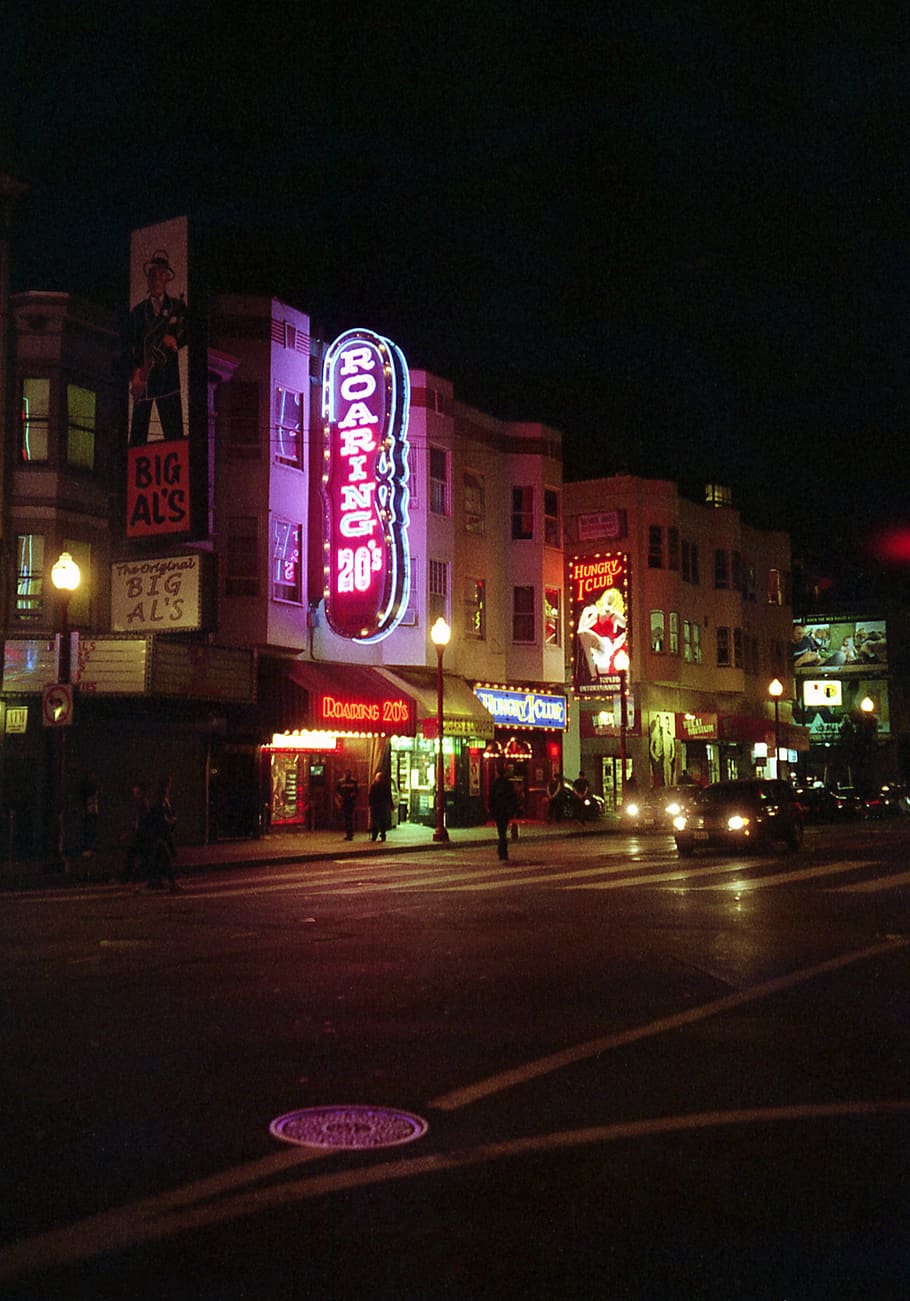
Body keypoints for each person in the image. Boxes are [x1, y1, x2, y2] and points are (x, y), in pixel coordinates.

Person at [127, 249, 188, 446]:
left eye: (160, 275)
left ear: (166, 278)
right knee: (137, 438)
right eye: (152, 275)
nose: (155, 280)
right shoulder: (137, 312)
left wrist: (175, 341)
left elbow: (189, 330)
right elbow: (131, 345)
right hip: (144, 380)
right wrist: (135, 374)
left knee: (174, 437)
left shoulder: (177, 306)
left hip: (168, 381)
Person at [145, 775, 180, 892]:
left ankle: (155, 880)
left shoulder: (163, 798)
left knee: (159, 858)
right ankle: (172, 883)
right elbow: (159, 816)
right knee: (166, 857)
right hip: (159, 834)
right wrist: (170, 820)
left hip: (161, 834)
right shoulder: (160, 799)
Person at [121, 781, 151, 884]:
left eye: (136, 792)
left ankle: (129, 878)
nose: (134, 794)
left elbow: (141, 821)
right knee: (135, 856)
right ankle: (130, 877)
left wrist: (131, 832)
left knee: (134, 855)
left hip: (141, 835)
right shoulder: (142, 803)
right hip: (141, 834)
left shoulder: (143, 804)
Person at [488, 765, 519, 860]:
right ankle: (503, 851)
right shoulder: (508, 784)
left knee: (501, 832)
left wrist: (491, 810)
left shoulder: (495, 784)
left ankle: (502, 850)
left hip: (498, 811)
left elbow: (491, 799)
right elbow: (513, 798)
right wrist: (513, 810)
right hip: (506, 811)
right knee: (503, 831)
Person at [368, 770, 393, 842]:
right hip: (380, 806)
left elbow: (371, 796)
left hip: (377, 806)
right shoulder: (384, 786)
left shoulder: (374, 785)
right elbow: (388, 796)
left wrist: (370, 804)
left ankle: (376, 836)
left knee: (377, 821)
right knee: (380, 821)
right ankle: (380, 835)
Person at [79, 773, 100, 857]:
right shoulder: (87, 791)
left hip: (93, 811)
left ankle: (91, 848)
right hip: (89, 811)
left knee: (92, 830)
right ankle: (88, 849)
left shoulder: (93, 790)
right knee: (88, 830)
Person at [335, 769, 359, 840]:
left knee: (349, 818)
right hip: (344, 802)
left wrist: (354, 794)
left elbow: (357, 791)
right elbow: (337, 791)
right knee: (346, 818)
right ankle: (349, 833)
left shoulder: (354, 781)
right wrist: (339, 797)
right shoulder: (340, 782)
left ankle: (350, 833)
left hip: (350, 802)